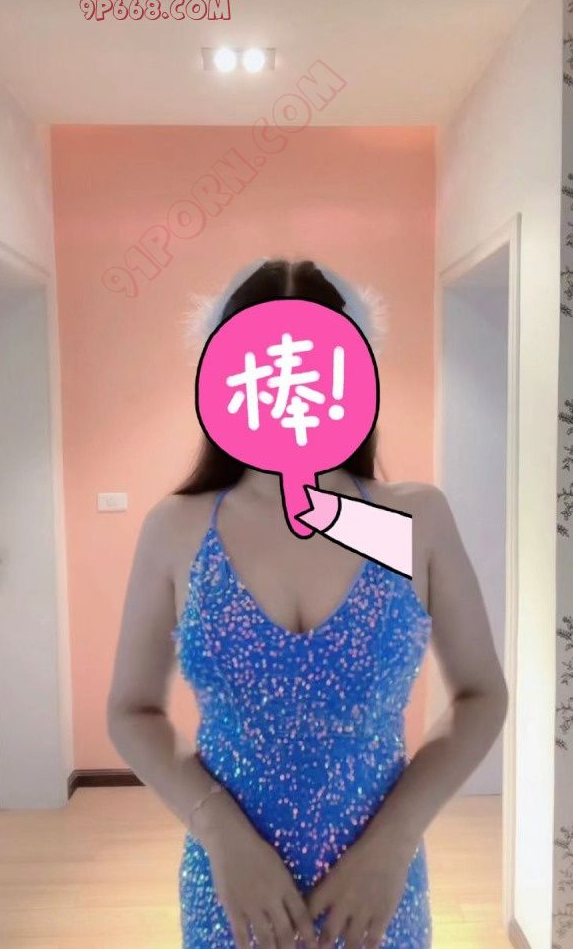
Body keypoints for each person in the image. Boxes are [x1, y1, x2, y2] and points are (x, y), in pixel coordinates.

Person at [107, 258, 508, 949]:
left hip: (377, 890)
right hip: (231, 891)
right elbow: (131, 709)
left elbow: (481, 694)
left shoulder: (412, 520)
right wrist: (218, 832)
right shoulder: (177, 528)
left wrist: (396, 839)